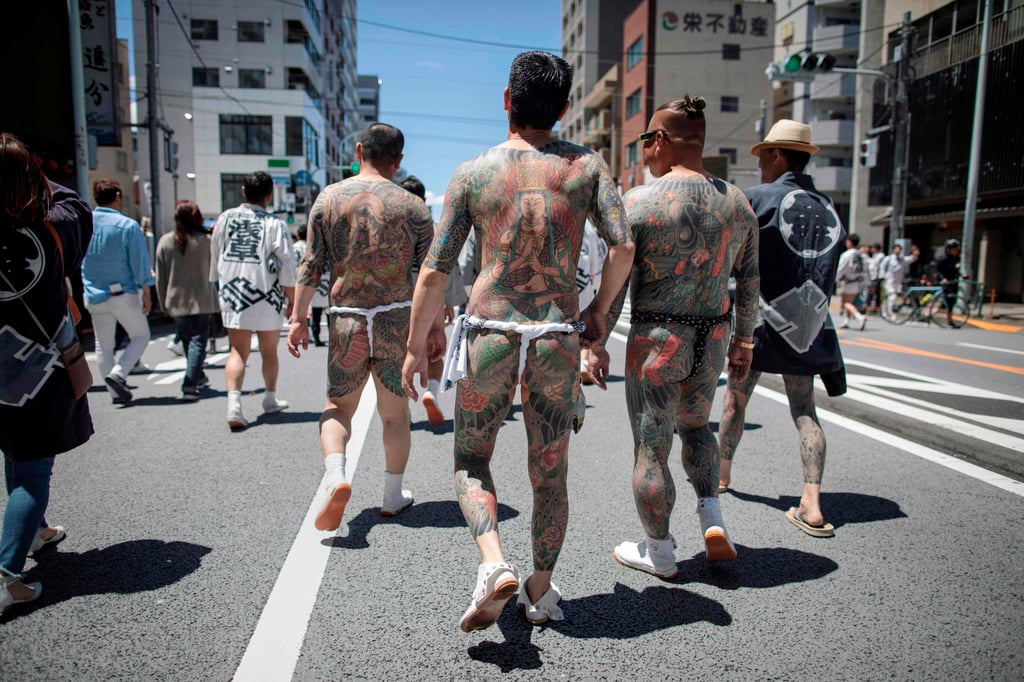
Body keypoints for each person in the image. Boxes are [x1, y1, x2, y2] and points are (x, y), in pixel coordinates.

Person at [400, 51, 634, 632]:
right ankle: (539, 589)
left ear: (506, 100)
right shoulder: (586, 167)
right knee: (549, 471)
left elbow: (434, 269)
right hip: (556, 331)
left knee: (471, 458)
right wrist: (598, 314)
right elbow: (623, 246)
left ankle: (492, 564)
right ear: (564, 107)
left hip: (491, 330)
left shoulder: (474, 172)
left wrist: (412, 346)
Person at [608, 96, 759, 579]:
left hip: (657, 337)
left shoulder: (638, 202)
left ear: (659, 141)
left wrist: (594, 341)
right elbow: (750, 281)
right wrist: (744, 343)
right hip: (713, 337)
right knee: (696, 427)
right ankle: (711, 515)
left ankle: (659, 551)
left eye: (645, 141)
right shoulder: (738, 203)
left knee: (651, 448)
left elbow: (615, 286)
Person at [287, 123, 433, 531]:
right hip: (395, 319)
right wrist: (433, 329)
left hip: (346, 320)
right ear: (399, 160)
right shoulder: (414, 207)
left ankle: (336, 473)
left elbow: (311, 264)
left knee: (338, 407)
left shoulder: (329, 199)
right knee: (394, 415)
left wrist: (298, 318)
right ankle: (392, 494)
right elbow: (429, 276)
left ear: (358, 150)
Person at [718, 119, 847, 538]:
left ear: (776, 154)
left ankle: (719, 477)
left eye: (763, 157)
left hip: (760, 322)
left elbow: (730, 257)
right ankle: (811, 503)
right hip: (809, 324)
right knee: (805, 410)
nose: (760, 166)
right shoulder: (828, 205)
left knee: (736, 399)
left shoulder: (758, 198)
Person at [0, 133, 94, 613]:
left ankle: (34, 529)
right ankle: (7, 574)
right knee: (33, 468)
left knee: (13, 451)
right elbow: (76, 206)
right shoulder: (48, 227)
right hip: (36, 368)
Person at [210, 171, 296, 430]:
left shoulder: (225, 219)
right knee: (269, 350)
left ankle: (234, 405)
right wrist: (293, 301)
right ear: (269, 196)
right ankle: (269, 399)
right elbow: (287, 265)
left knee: (238, 350)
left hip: (234, 293)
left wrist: (219, 283)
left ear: (243, 191)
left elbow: (215, 257)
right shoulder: (275, 224)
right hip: (266, 296)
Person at [398, 174, 466, 427]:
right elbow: (445, 267)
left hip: (399, 300)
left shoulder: (392, 228)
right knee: (434, 350)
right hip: (430, 299)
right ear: (424, 199)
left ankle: (401, 407)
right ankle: (431, 392)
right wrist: (449, 301)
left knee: (399, 353)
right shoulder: (433, 227)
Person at [81, 178, 154, 404]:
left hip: (93, 293)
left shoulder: (85, 223)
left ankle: (115, 393)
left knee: (103, 345)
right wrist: (147, 290)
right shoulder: (127, 226)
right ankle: (119, 374)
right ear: (118, 196)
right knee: (141, 336)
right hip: (124, 293)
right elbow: (140, 263)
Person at [154, 200, 218, 401]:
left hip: (175, 300)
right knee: (198, 342)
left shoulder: (165, 241)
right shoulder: (206, 242)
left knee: (188, 341)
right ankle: (190, 384)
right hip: (202, 299)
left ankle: (197, 376)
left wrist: (162, 302)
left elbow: (160, 276)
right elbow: (216, 272)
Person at [576, 221, 607, 385]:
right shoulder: (587, 226)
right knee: (584, 327)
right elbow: (596, 259)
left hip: (559, 282)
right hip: (583, 282)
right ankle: (583, 362)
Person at [292, 225, 330, 346]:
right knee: (330, 312)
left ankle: (316, 336)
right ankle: (332, 337)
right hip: (327, 281)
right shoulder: (327, 247)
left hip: (308, 281)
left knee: (316, 312)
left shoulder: (297, 248)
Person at [835, 233, 868, 330]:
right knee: (850, 302)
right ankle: (846, 321)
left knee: (846, 303)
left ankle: (859, 317)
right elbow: (866, 270)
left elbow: (840, 268)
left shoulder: (847, 254)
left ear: (849, 242)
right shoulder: (861, 255)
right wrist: (867, 283)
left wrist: (834, 279)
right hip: (859, 282)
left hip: (850, 281)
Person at [879, 242, 919, 318]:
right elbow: (882, 267)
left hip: (898, 282)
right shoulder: (888, 259)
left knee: (892, 297)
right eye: (896, 249)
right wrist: (883, 276)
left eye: (899, 249)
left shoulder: (902, 260)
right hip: (889, 281)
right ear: (893, 250)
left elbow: (911, 259)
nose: (898, 251)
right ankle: (890, 313)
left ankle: (886, 311)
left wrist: (915, 254)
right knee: (892, 296)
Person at [934, 238, 962, 327]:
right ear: (949, 249)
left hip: (952, 282)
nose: (956, 251)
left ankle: (948, 317)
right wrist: (943, 278)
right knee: (946, 299)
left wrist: (962, 275)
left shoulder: (955, 259)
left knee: (952, 301)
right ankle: (948, 318)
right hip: (944, 282)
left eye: (957, 249)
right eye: (955, 249)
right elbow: (938, 271)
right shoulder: (942, 259)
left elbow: (955, 271)